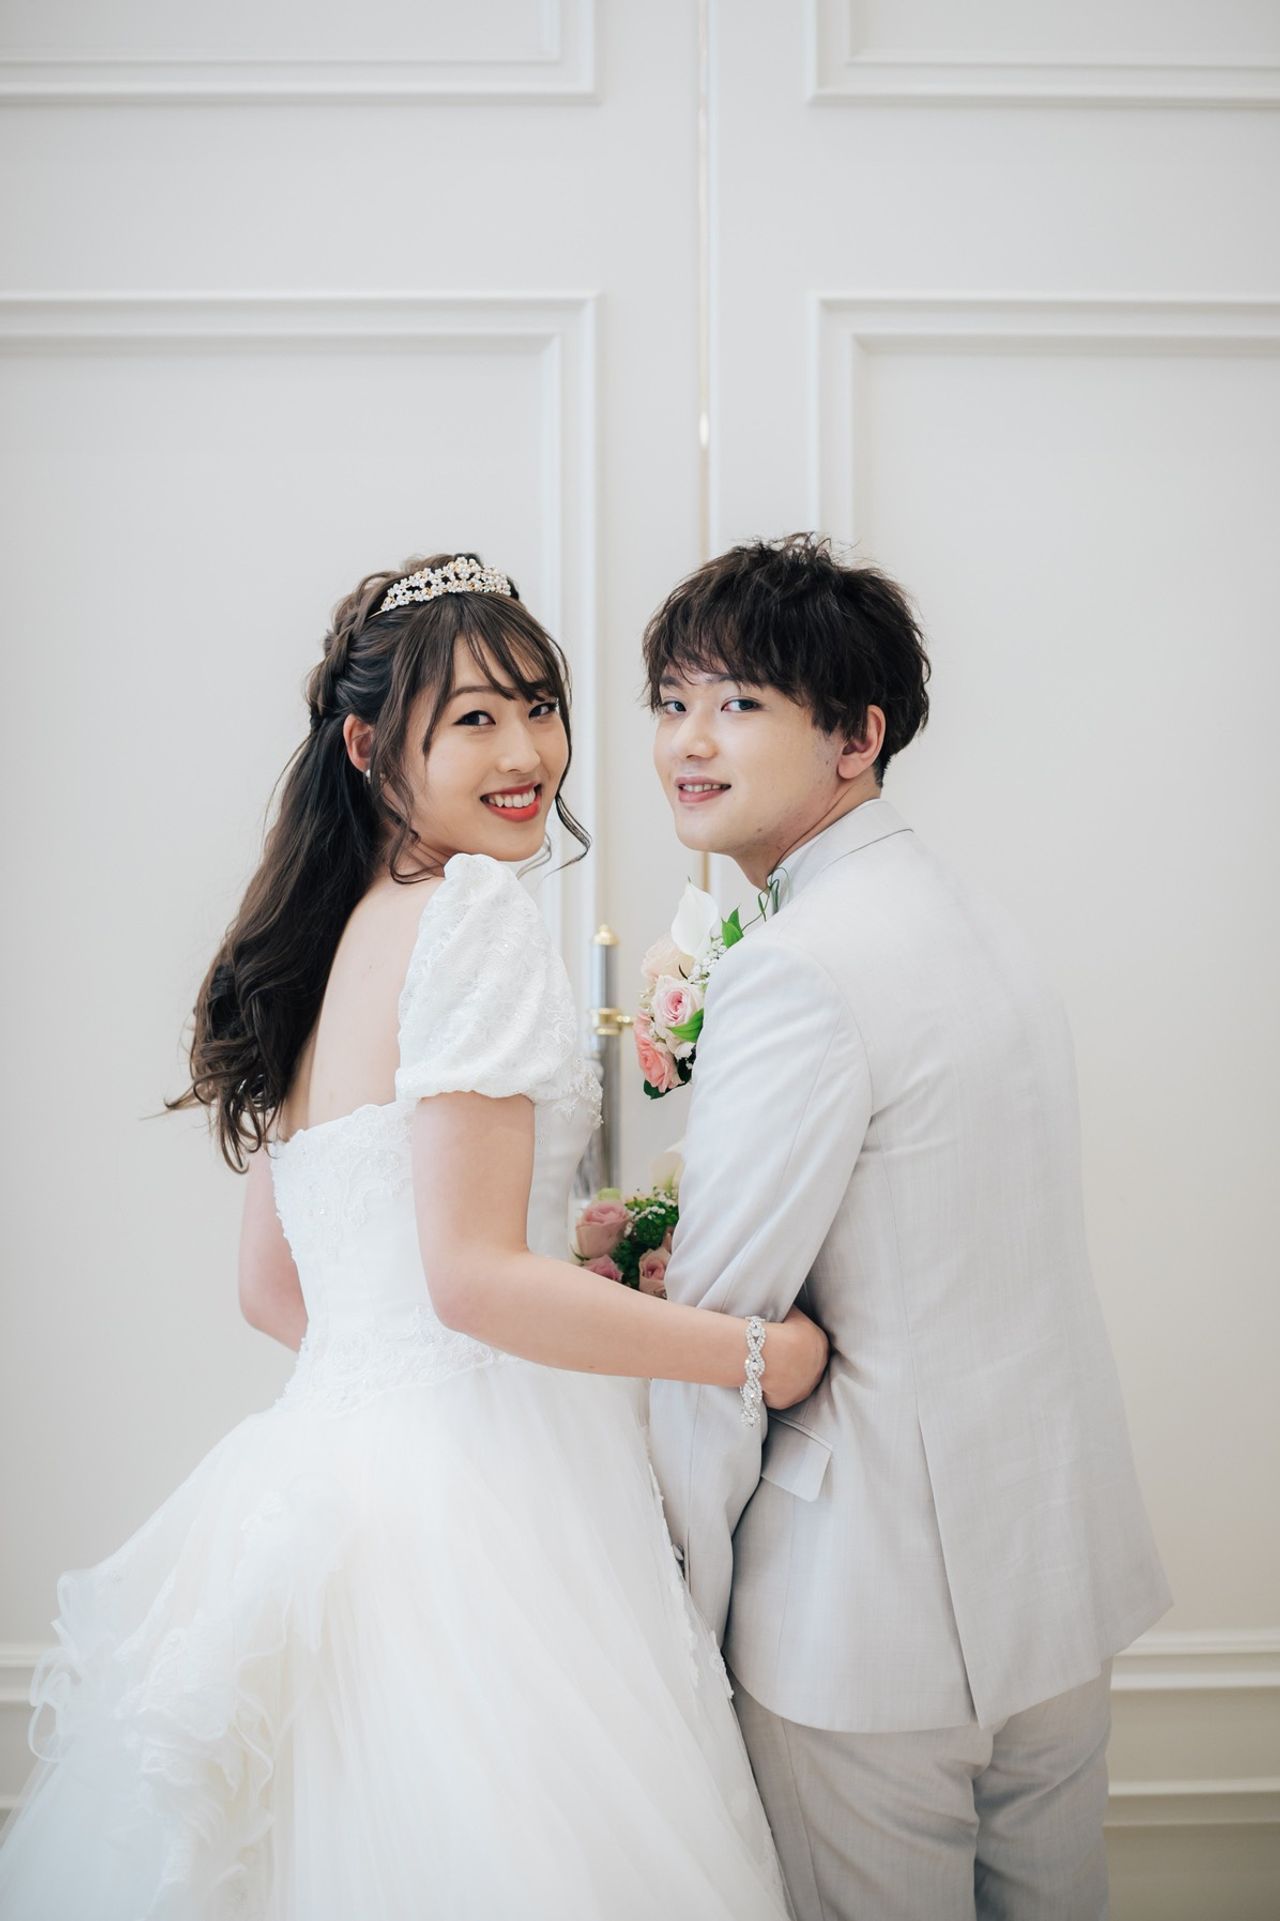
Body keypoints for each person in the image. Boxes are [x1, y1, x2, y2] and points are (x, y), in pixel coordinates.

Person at [0, 550, 827, 1920]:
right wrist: (755, 1353)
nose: (527, 754)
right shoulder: (476, 916)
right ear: (370, 744)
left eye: (541, 707)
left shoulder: (325, 938)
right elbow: (470, 1280)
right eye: (475, 719)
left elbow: (276, 1289)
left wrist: (458, 1337)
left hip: (325, 1479)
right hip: (494, 1506)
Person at [645, 534, 1171, 1921]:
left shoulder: (796, 970)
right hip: (1052, 1586)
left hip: (865, 1627)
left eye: (739, 702)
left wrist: (675, 1612)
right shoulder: (978, 921)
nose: (688, 741)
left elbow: (720, 1340)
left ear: (856, 735)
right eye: (672, 701)